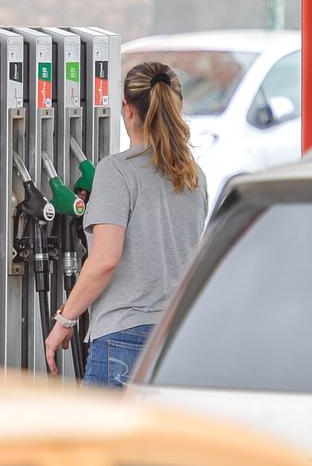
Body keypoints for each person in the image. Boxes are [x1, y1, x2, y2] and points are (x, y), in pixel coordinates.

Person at [44, 61, 207, 388]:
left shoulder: (118, 172)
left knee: (105, 441)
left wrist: (65, 318)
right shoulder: (193, 175)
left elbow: (105, 260)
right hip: (178, 336)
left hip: (125, 337)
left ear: (127, 108)